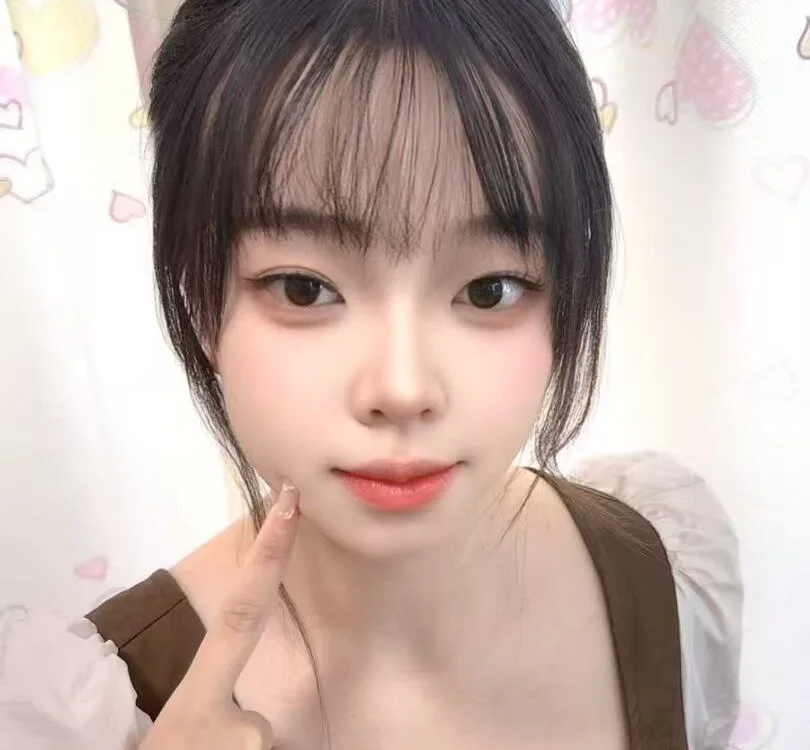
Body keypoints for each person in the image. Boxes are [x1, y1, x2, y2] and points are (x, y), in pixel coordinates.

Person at [0, 1, 743, 748]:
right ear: (199, 300)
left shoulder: (662, 569)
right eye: (304, 289)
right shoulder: (88, 718)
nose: (402, 388)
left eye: (489, 289)